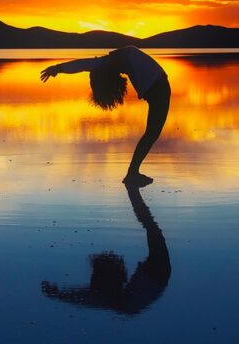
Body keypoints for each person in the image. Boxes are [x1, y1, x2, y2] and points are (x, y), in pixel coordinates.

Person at [40, 46, 170, 187]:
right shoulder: (113, 61)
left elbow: (83, 65)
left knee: (151, 134)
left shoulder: (109, 62)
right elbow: (83, 65)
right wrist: (58, 68)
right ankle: (132, 173)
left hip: (158, 88)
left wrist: (58, 68)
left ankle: (132, 173)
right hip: (158, 89)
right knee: (151, 134)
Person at [41, 183, 171, 315]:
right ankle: (133, 189)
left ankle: (133, 189)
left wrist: (60, 295)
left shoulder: (117, 301)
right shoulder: (119, 302)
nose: (91, 280)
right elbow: (87, 298)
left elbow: (87, 298)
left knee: (150, 225)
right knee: (150, 225)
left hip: (155, 277)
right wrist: (60, 295)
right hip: (156, 276)